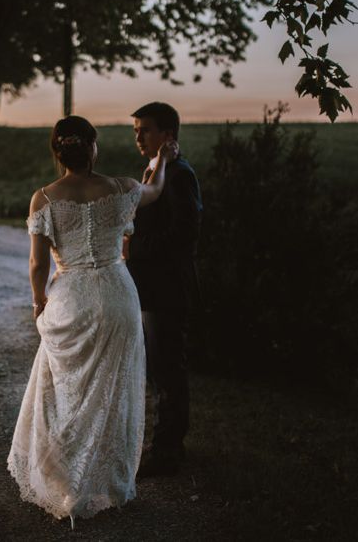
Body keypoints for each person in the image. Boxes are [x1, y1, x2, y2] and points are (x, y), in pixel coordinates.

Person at [7, 115, 178, 527]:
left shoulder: (44, 199)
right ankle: (106, 481)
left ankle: (65, 479)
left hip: (72, 299)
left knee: (65, 392)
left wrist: (38, 302)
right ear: (93, 147)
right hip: (118, 296)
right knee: (114, 389)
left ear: (59, 152)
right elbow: (154, 190)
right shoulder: (121, 188)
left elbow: (37, 264)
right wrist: (162, 161)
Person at [126, 102, 202, 477]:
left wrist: (134, 249)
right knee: (158, 369)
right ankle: (164, 444)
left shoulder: (179, 175)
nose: (137, 136)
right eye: (136, 129)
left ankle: (168, 451)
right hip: (152, 288)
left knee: (168, 370)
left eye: (145, 129)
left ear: (167, 135)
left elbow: (184, 235)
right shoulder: (159, 170)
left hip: (168, 289)